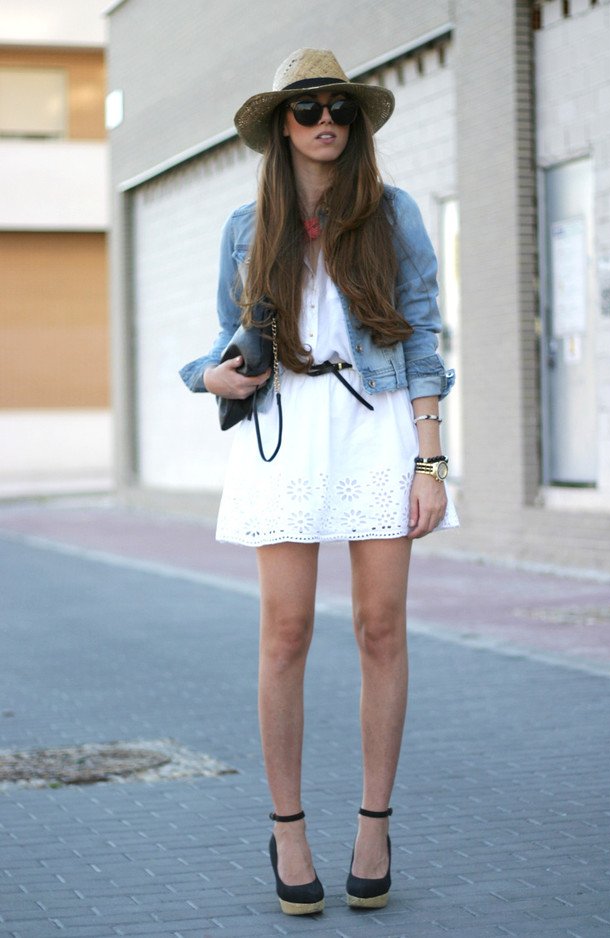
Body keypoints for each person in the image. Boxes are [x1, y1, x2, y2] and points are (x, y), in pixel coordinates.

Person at [180, 48, 457, 916]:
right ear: (280, 127)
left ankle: (374, 824)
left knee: (381, 629)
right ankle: (288, 828)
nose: (326, 119)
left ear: (356, 120)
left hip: (374, 424)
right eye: (307, 109)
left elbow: (421, 340)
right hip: (286, 432)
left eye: (339, 106)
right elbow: (226, 341)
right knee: (285, 635)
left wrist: (430, 461)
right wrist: (204, 376)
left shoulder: (392, 213)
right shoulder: (244, 227)